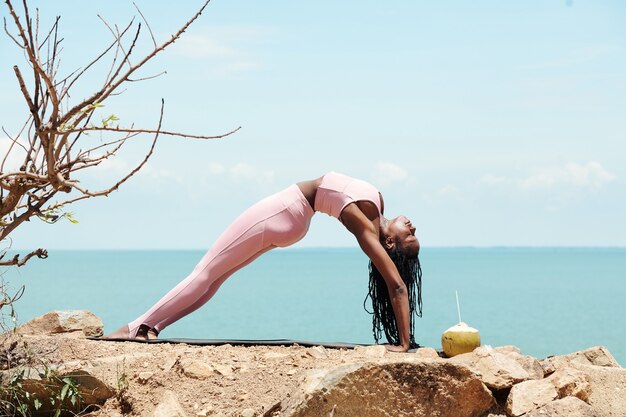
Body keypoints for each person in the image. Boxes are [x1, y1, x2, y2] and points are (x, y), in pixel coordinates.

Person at [106, 172, 422, 352]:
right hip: (294, 220)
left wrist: (404, 343)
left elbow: (395, 284)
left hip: (283, 212)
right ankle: (154, 327)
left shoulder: (364, 222)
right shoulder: (376, 204)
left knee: (205, 272)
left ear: (390, 243)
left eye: (410, 238)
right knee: (215, 278)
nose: (413, 228)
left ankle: (134, 327)